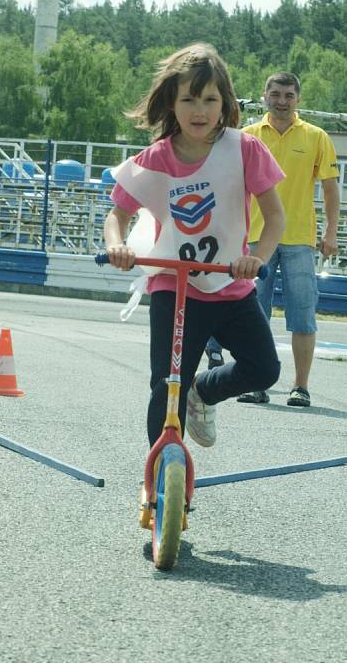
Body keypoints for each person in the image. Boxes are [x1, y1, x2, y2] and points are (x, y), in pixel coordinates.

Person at [103, 43, 286, 448]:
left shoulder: (244, 149)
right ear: (172, 103)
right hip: (176, 286)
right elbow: (116, 216)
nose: (199, 111)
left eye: (209, 99)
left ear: (225, 103)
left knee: (264, 368)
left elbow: (275, 218)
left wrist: (256, 258)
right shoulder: (154, 159)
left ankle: (202, 393)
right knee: (167, 386)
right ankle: (163, 481)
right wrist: (118, 247)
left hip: (228, 284)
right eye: (188, 99)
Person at [206, 71, 340, 407]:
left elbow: (330, 187)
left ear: (298, 99)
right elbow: (225, 185)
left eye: (289, 95)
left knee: (303, 315)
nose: (282, 101)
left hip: (299, 239)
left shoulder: (316, 137)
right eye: (276, 94)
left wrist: (331, 230)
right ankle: (256, 383)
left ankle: (300, 386)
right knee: (253, 314)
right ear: (264, 95)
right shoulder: (247, 136)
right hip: (253, 239)